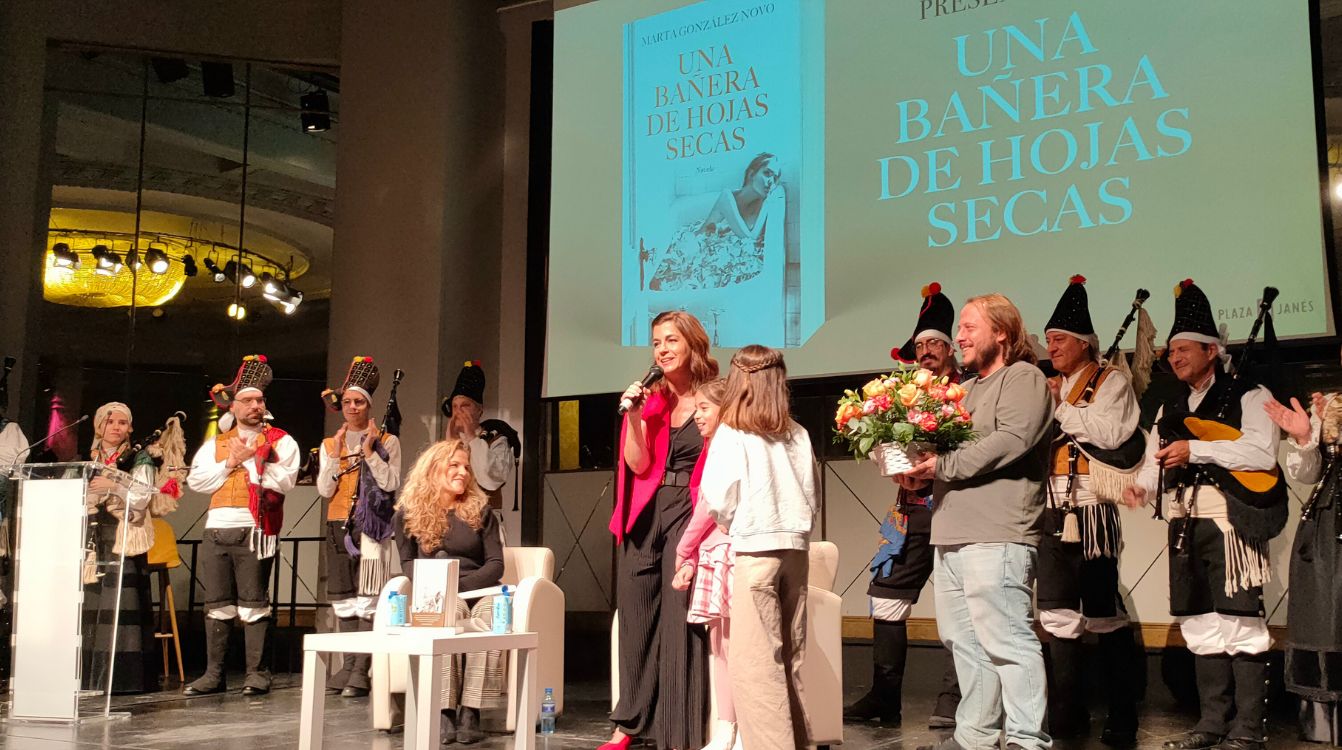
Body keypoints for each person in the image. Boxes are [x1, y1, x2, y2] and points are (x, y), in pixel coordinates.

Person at [1123, 280, 1286, 750]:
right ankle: (1213, 723)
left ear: (1212, 350)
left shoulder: (1248, 396)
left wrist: (1196, 448)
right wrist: (1141, 486)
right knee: (1198, 623)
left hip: (1230, 524)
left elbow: (1259, 452)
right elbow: (1158, 459)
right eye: (1170, 351)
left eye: (1184, 349)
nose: (1174, 358)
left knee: (1240, 623)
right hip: (1183, 524)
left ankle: (1249, 728)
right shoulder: (1171, 408)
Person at [899, 292, 1054, 750]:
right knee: (963, 644)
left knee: (1007, 639)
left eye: (969, 327)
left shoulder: (1023, 377)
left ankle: (1027, 740)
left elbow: (1011, 438)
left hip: (998, 533)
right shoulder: (962, 391)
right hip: (951, 534)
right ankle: (975, 739)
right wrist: (913, 471)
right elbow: (940, 454)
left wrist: (941, 467)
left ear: (1002, 332)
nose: (959, 336)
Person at [846, 281, 963, 729]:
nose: (928, 350)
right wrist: (895, 467)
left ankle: (953, 698)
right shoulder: (897, 395)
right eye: (921, 345)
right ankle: (884, 698)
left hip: (955, 508)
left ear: (950, 349)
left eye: (935, 343)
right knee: (886, 596)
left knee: (958, 605)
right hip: (910, 508)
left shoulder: (968, 391)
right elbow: (881, 441)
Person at [604, 310, 717, 750]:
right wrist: (633, 416)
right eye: (656, 343)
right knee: (634, 613)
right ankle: (629, 721)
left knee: (676, 614)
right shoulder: (649, 401)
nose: (663, 350)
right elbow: (637, 464)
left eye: (671, 340)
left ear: (692, 344)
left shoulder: (714, 397)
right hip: (645, 511)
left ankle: (678, 725)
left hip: (690, 511)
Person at [1037, 276, 1142, 744]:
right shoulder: (1050, 385)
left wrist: (1060, 406)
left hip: (1093, 508)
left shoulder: (1110, 381)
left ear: (1084, 343)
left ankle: (1123, 715)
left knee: (1102, 613)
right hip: (1053, 508)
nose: (1051, 347)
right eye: (1049, 339)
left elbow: (1111, 433)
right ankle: (1067, 713)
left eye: (1059, 339)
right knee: (1057, 614)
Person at [699, 345, 818, 750]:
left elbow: (718, 497)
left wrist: (735, 526)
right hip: (796, 553)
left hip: (755, 552)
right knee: (792, 660)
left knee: (756, 667)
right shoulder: (797, 433)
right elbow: (810, 493)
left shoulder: (732, 432)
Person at [184, 355, 301, 697]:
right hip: (217, 528)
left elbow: (284, 481)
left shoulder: (281, 441)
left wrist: (249, 461)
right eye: (247, 400)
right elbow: (199, 481)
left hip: (256, 528)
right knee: (217, 603)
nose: (254, 406)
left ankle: (257, 673)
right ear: (232, 407)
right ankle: (214, 674)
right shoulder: (216, 444)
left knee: (253, 603)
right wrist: (230, 462)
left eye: (259, 400)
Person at [394, 438, 506, 745]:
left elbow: (496, 564)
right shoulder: (407, 513)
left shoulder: (480, 510)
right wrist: (443, 588)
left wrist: (459, 585)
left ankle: (471, 710)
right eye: (454, 465)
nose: (462, 473)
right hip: (437, 593)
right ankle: (444, 711)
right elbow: (408, 564)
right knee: (448, 613)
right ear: (433, 469)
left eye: (466, 467)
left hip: (480, 589)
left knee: (492, 616)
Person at [84, 402, 186, 694]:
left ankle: (123, 679)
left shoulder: (139, 457)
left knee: (122, 603)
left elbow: (142, 497)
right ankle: (90, 676)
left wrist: (113, 485)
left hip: (125, 535)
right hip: (93, 538)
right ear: (99, 425)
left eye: (121, 422)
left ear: (129, 427)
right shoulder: (88, 458)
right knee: (93, 605)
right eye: (109, 421)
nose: (115, 427)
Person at [317, 356, 402, 698]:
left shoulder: (387, 442)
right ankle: (350, 664)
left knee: (367, 598)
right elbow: (325, 490)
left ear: (369, 405)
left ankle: (360, 670)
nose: (352, 407)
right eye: (348, 402)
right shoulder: (329, 445)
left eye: (359, 402)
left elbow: (391, 482)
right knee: (345, 600)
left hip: (370, 527)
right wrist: (337, 454)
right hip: (338, 525)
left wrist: (369, 454)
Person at [1268, 377, 1342, 745]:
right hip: (1329, 519)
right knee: (1323, 613)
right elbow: (1306, 473)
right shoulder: (1329, 404)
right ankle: (1325, 722)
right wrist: (1303, 437)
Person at [670, 378, 738, 750]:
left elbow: (709, 506)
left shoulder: (727, 447)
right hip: (713, 551)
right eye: (695, 408)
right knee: (720, 646)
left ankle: (741, 727)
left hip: (729, 550)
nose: (697, 416)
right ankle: (726, 727)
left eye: (705, 408)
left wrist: (684, 550)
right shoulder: (712, 447)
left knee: (734, 646)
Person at [648, 153, 782, 292]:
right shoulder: (727, 197)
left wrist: (769, 201)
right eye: (767, 174)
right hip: (701, 243)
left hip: (725, 249)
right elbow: (749, 236)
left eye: (775, 178)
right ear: (751, 174)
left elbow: (752, 240)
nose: (771, 182)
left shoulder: (763, 202)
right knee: (675, 274)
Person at [442, 360, 519, 513]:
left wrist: (472, 437)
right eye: (455, 407)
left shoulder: (496, 440)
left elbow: (491, 481)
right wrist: (449, 444)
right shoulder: (449, 440)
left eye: (465, 406)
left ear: (479, 410)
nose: (459, 412)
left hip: (485, 521)